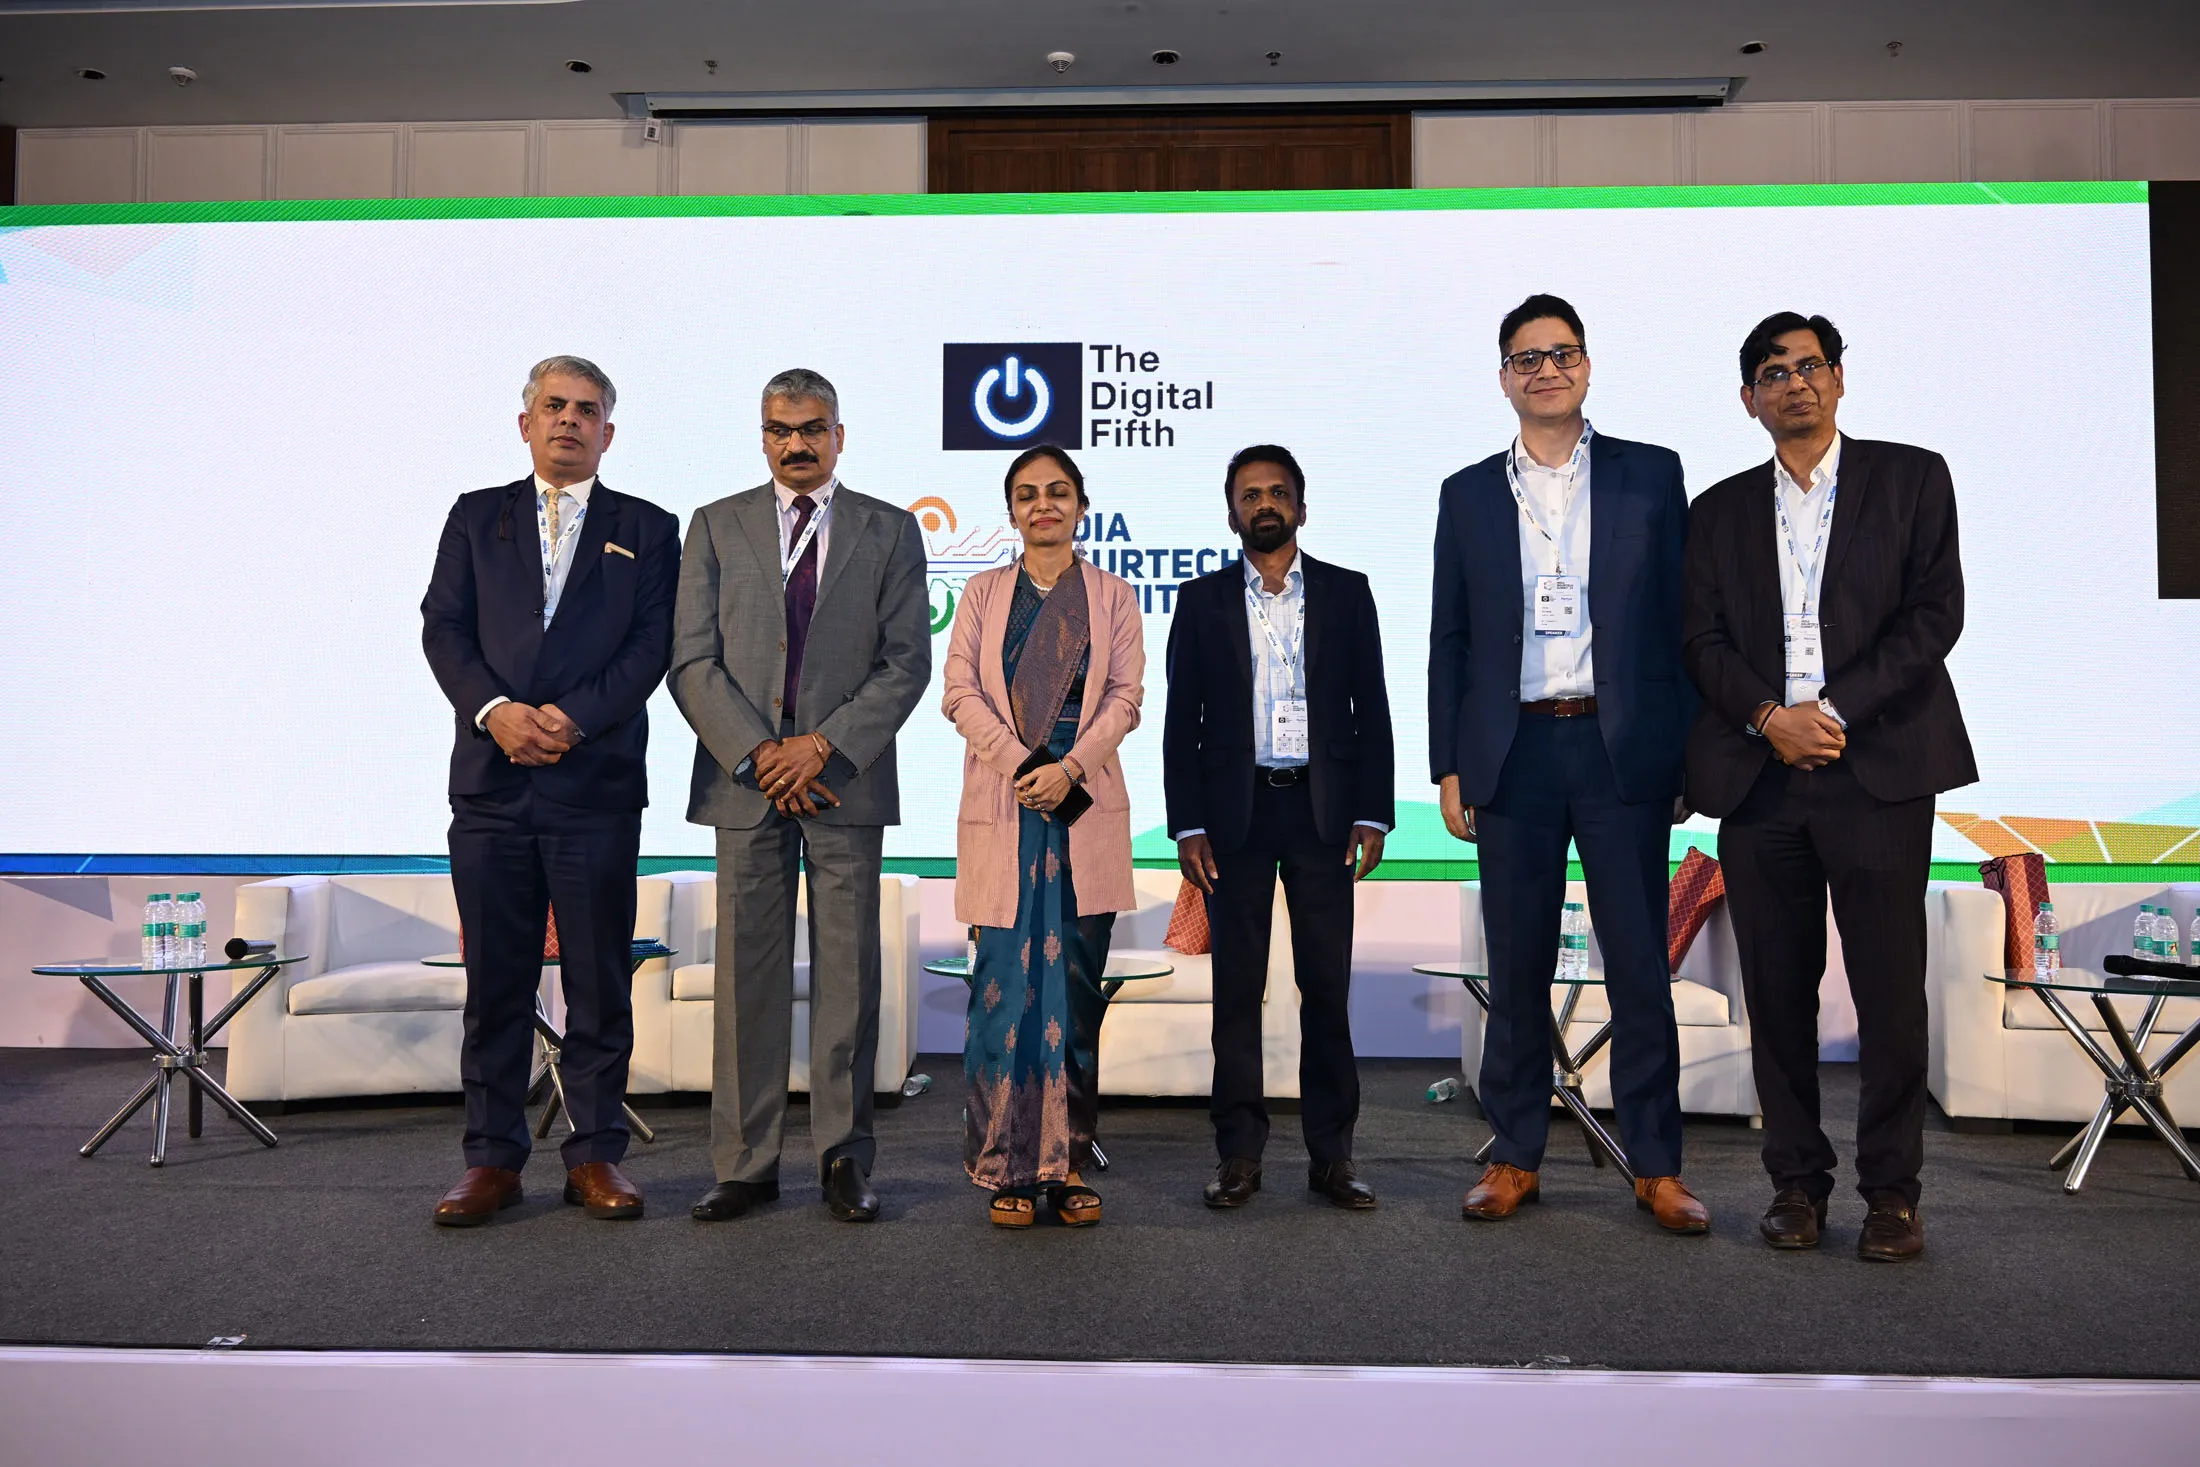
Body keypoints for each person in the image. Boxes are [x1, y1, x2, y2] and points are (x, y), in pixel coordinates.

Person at [1683, 312, 1975, 1262]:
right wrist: (1771, 718)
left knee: (1890, 993)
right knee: (1777, 993)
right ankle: (1796, 1184)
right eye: (1773, 372)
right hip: (1761, 778)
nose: (1795, 382)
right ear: (1749, 399)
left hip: (1878, 769)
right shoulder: (1717, 510)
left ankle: (1892, 1193)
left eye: (1810, 365)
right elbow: (1699, 641)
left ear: (1840, 379)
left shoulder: (1912, 478)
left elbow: (1934, 615)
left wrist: (1833, 711)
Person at [1428, 295, 1708, 1233]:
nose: (1545, 370)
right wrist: (1449, 763)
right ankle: (1514, 1155)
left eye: (1562, 353)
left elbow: (1682, 623)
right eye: (1526, 358)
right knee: (1516, 968)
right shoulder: (1467, 491)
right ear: (1503, 377)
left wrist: (1684, 752)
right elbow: (1451, 637)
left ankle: (1657, 1165)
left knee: (1639, 966)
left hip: (1619, 746)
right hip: (1513, 751)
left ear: (1587, 366)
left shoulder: (1650, 474)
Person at [420, 354, 680, 1227]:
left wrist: (572, 719)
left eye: (587, 409)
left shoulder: (649, 527)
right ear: (526, 423)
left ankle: (596, 1153)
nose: (570, 419)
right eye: (555, 405)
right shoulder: (474, 516)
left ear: (609, 432)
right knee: (496, 981)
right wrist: (496, 712)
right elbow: (443, 627)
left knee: (599, 981)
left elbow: (651, 646)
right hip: (491, 786)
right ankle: (491, 1161)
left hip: (594, 785)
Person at [671, 368, 931, 1225]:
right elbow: (692, 660)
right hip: (745, 783)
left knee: (848, 981)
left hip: (842, 781)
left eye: (812, 428)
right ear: (762, 437)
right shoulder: (715, 525)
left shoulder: (891, 530)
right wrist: (759, 753)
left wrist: (821, 746)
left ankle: (843, 1158)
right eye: (781, 429)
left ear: (839, 436)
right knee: (746, 982)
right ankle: (744, 1164)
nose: (797, 443)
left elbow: (906, 662)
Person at [1165, 444, 1394, 1212]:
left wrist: (1373, 810)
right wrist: (1187, 824)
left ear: (1301, 504)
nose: (1264, 503)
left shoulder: (1347, 592)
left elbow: (1372, 707)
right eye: (1250, 494)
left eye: (1277, 491)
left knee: (1325, 986)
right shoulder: (1200, 601)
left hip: (1323, 813)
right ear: (1232, 512)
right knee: (1237, 990)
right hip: (1235, 814)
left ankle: (1333, 1155)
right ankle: (1238, 1154)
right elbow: (1181, 722)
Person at [940, 445, 1145, 1228]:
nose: (1043, 504)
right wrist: (1026, 763)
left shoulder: (1113, 596)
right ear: (1012, 511)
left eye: (1058, 492)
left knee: (1074, 993)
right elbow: (958, 692)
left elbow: (1126, 697)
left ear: (1081, 506)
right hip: (1007, 798)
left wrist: (1070, 767)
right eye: (1027, 494)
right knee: (1003, 992)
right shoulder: (983, 594)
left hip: (1080, 801)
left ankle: (1066, 1162)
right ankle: (1005, 1166)